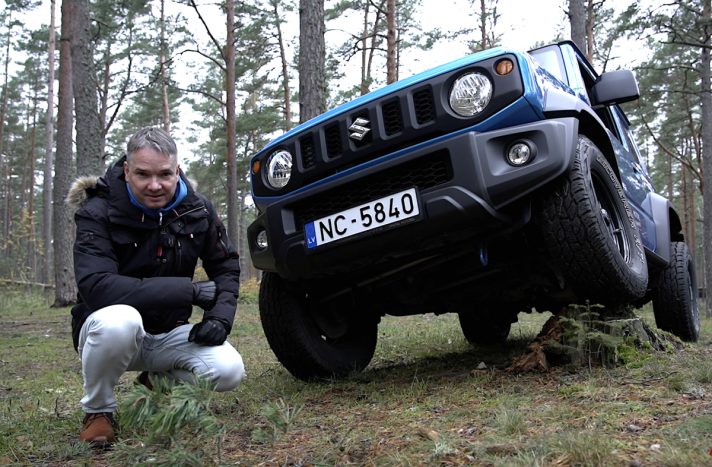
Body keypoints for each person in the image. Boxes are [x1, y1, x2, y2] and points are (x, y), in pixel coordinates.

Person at [67, 127, 245, 446]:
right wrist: (189, 292)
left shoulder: (198, 209)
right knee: (120, 320)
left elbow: (226, 265)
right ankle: (98, 410)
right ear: (126, 171)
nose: (154, 185)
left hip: (168, 332)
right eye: (142, 174)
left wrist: (220, 317)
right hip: (108, 332)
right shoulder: (96, 212)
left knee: (228, 370)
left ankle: (154, 383)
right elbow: (97, 287)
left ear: (177, 170)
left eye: (164, 174)